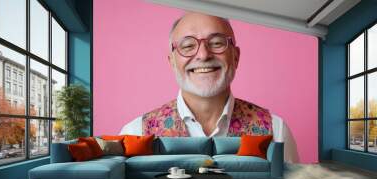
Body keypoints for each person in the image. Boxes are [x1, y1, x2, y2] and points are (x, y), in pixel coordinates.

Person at [120, 12, 284, 141]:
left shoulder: (277, 132)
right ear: (172, 62)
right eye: (188, 46)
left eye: (216, 43)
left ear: (235, 57)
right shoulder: (135, 134)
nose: (204, 55)